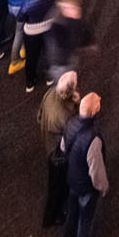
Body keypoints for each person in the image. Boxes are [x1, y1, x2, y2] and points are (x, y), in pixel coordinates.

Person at [61, 92, 109, 237]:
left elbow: (63, 147)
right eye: (98, 105)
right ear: (93, 113)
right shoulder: (93, 139)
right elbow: (96, 172)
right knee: (85, 221)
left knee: (72, 213)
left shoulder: (70, 123)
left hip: (72, 178)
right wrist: (103, 187)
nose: (99, 105)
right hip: (86, 187)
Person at [40, 71, 81, 228]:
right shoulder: (64, 114)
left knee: (55, 183)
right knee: (58, 187)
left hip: (49, 143)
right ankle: (51, 216)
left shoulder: (50, 94)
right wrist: (77, 105)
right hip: (58, 155)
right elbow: (71, 134)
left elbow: (40, 114)